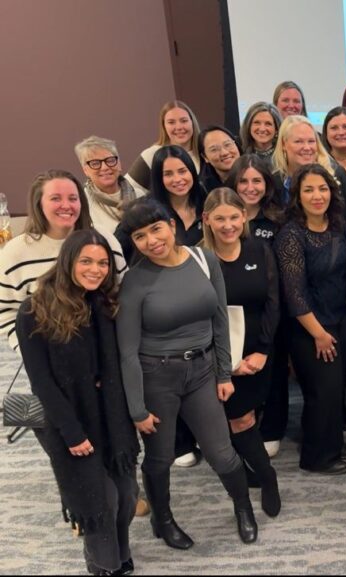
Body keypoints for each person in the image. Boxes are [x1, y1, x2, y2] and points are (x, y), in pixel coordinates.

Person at [117, 198, 258, 548]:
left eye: (156, 228)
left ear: (172, 225)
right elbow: (127, 352)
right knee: (161, 456)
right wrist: (136, 409)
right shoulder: (134, 281)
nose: (151, 240)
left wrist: (224, 373)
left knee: (221, 451)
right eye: (139, 236)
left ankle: (243, 508)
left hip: (202, 370)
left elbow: (220, 320)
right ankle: (163, 522)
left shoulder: (203, 258)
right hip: (156, 376)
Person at [16, 230, 140, 576]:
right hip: (67, 420)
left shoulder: (102, 303)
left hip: (110, 416)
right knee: (101, 500)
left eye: (103, 263)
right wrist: (71, 433)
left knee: (127, 492)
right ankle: (104, 565)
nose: (96, 269)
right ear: (68, 260)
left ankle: (120, 550)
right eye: (86, 261)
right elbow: (42, 381)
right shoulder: (34, 310)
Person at [201, 189, 281, 517]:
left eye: (234, 217)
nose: (228, 225)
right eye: (219, 218)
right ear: (207, 220)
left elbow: (274, 303)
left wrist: (263, 350)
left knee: (243, 417)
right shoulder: (199, 258)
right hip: (218, 354)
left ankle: (261, 475)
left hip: (258, 351)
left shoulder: (259, 250)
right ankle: (266, 476)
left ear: (244, 217)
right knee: (234, 418)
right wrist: (224, 363)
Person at [273, 163, 346, 474]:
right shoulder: (291, 235)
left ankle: (330, 440)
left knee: (334, 391)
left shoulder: (336, 225)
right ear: (297, 195)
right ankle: (316, 457)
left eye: (322, 188)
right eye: (308, 189)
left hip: (339, 319)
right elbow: (294, 295)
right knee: (321, 392)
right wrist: (318, 333)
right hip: (310, 327)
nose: (316, 195)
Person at [1, 170, 126, 355]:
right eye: (56, 198)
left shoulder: (104, 238)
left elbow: (123, 291)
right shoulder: (15, 252)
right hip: (51, 359)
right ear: (39, 204)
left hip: (108, 354)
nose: (66, 205)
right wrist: (30, 353)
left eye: (73, 198)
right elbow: (6, 312)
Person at [117, 145, 206, 265]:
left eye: (182, 171)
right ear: (158, 178)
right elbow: (115, 248)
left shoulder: (206, 201)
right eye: (168, 174)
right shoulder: (143, 209)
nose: (177, 179)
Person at [271, 115, 346, 224]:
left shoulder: (336, 174)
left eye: (311, 141)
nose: (307, 147)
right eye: (298, 141)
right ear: (283, 144)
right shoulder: (274, 181)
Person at [126, 101, 201, 193]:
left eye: (184, 121)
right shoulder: (152, 154)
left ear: (192, 122)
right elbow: (126, 190)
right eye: (171, 122)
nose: (179, 127)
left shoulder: (205, 153)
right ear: (164, 126)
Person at [74, 136, 142, 237]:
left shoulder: (140, 195)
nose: (105, 167)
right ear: (85, 170)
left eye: (110, 160)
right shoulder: (82, 204)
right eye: (95, 163)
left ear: (119, 163)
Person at [227, 154, 285, 243]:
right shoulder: (224, 217)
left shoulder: (279, 220)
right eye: (243, 181)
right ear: (234, 184)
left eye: (257, 181)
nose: (250, 188)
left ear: (266, 183)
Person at [198, 126, 241, 192]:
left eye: (227, 144)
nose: (224, 153)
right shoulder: (202, 189)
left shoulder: (256, 173)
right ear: (205, 157)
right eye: (214, 149)